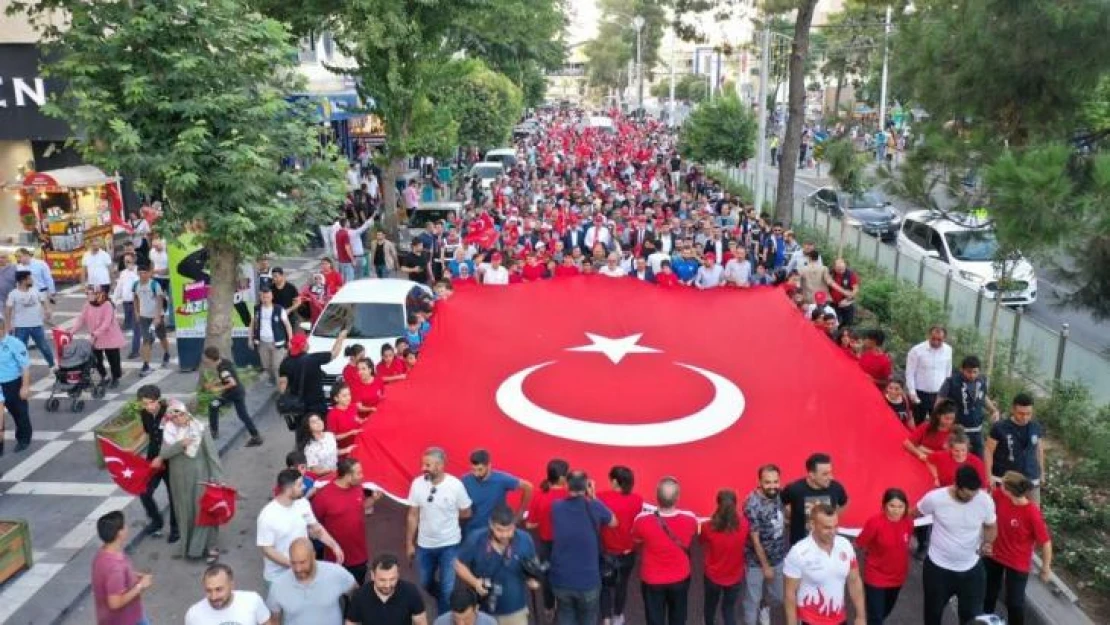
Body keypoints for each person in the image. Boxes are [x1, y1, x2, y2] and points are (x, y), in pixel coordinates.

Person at [915, 465, 997, 625]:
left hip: (971, 570)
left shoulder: (984, 500)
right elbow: (915, 513)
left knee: (972, 619)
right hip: (938, 569)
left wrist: (987, 543)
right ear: (956, 485)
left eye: (974, 494)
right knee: (933, 615)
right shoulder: (935, 498)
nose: (971, 499)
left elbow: (990, 526)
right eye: (966, 495)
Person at [149, 400, 223, 562]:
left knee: (203, 512)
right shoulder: (169, 431)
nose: (177, 420)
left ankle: (211, 547)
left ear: (186, 414)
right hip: (178, 480)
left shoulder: (200, 429)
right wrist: (179, 445)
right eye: (173, 417)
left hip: (200, 478)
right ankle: (190, 547)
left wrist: (218, 479)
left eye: (180, 415)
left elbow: (212, 455)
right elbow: (164, 454)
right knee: (184, 512)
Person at [406, 447, 474, 616]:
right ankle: (444, 599)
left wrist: (449, 517)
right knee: (425, 582)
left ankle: (443, 617)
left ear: (440, 465)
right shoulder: (417, 483)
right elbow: (413, 515)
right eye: (423, 464)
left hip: (449, 545)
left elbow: (466, 511)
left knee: (447, 587)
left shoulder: (455, 486)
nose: (423, 468)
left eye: (427, 464)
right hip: (424, 545)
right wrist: (409, 544)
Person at [258, 469, 344, 593]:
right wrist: (294, 565)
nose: (303, 487)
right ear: (289, 488)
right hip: (278, 578)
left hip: (303, 571)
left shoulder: (302, 503)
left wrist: (334, 545)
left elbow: (315, 527)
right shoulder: (267, 515)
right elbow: (267, 549)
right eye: (299, 485)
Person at [983, 472, 1053, 625]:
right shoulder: (999, 496)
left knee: (1015, 603)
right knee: (988, 594)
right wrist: (986, 542)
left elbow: (1046, 542)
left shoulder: (1032, 513)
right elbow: (985, 512)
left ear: (1009, 490)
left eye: (1003, 484)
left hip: (1017, 562)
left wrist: (1045, 569)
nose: (999, 485)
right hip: (994, 555)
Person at [454, 504, 540, 624]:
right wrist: (475, 582)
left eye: (509, 530)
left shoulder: (525, 539)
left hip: (515, 610)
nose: (505, 535)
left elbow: (533, 565)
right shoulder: (476, 538)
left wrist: (533, 579)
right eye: (499, 530)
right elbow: (458, 564)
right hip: (483, 611)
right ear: (491, 525)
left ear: (514, 525)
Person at [549, 470, 615, 625]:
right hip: (589, 581)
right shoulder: (594, 506)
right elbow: (614, 522)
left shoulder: (556, 507)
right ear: (587, 486)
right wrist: (594, 498)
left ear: (566, 485)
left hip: (561, 579)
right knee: (588, 619)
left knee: (565, 615)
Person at [782, 504, 866, 625]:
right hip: (809, 621)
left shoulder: (845, 545)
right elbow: (790, 594)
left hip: (839, 619)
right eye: (827, 528)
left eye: (835, 526)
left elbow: (854, 581)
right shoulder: (798, 552)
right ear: (812, 525)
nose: (832, 532)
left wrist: (861, 616)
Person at [633, 476, 699, 625]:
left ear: (657, 496)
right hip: (680, 578)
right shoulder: (690, 519)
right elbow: (694, 534)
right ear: (677, 497)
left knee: (654, 619)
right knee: (678, 617)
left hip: (652, 579)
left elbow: (636, 539)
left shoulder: (642, 520)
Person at [266, 537, 357, 625]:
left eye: (302, 562)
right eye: (293, 562)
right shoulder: (278, 585)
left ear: (313, 556)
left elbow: (358, 595)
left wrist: (352, 621)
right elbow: (274, 620)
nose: (298, 569)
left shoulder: (336, 573)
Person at [312, 457, 376, 583]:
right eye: (358, 473)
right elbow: (314, 523)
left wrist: (374, 499)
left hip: (359, 556)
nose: (362, 476)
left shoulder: (359, 488)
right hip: (335, 558)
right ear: (347, 476)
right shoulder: (323, 496)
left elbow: (360, 507)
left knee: (356, 590)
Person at [855, 489, 914, 625]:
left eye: (900, 506)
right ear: (884, 506)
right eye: (892, 506)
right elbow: (860, 543)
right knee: (876, 617)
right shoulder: (874, 522)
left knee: (885, 610)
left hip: (897, 577)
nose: (896, 510)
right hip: (876, 576)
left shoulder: (908, 523)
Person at [597, 466, 644, 625]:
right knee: (622, 584)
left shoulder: (601, 497)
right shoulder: (637, 500)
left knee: (604, 585)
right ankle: (618, 615)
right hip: (628, 551)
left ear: (615, 481)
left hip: (607, 551)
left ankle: (606, 617)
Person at [525, 459, 570, 620]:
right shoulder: (570, 495)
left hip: (546, 544)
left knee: (547, 577)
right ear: (562, 478)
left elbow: (530, 524)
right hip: (566, 545)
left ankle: (549, 607)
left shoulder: (539, 496)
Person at [92, 510, 153, 625]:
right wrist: (141, 585)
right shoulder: (115, 567)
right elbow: (115, 602)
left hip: (130, 615)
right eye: (124, 525)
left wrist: (136, 575)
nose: (127, 527)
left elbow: (113, 579)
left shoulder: (104, 553)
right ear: (119, 533)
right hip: (125, 620)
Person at [743, 464, 786, 625]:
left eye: (776, 481)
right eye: (768, 482)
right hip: (756, 562)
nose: (773, 486)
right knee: (751, 601)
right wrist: (766, 566)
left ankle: (765, 606)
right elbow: (755, 539)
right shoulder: (751, 504)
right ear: (759, 481)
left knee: (779, 597)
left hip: (778, 557)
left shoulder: (779, 494)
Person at [136, 385, 179, 543]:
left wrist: (162, 457)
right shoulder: (144, 414)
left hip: (171, 460)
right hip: (152, 460)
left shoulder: (170, 414)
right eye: (144, 404)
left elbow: (176, 440)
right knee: (144, 491)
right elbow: (148, 434)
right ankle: (156, 520)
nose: (148, 407)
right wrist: (132, 449)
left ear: (158, 400)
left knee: (173, 495)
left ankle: (176, 528)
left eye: (151, 403)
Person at [278, 330, 348, 428]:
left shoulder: (285, 363)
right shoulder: (313, 359)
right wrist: (341, 337)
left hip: (298, 406)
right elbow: (334, 353)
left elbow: (282, 385)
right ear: (303, 346)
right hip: (317, 405)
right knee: (320, 428)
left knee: (303, 431)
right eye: (306, 342)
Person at [699, 489, 749, 625]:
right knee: (728, 610)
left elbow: (700, 541)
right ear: (735, 504)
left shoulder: (708, 526)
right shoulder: (744, 525)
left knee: (710, 607)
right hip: (734, 577)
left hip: (713, 576)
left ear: (718, 504)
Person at [985, 392, 1046, 503]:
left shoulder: (1035, 427)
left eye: (1028, 413)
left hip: (1030, 477)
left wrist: (1042, 472)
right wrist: (988, 475)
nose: (1025, 417)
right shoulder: (1000, 427)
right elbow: (988, 451)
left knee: (1033, 511)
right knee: (1001, 511)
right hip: (1004, 479)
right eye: (1021, 413)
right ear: (1013, 409)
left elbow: (1039, 450)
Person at [461, 449, 534, 539]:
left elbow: (528, 487)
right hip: (471, 531)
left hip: (494, 532)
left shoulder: (501, 480)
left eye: (480, 470)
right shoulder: (465, 480)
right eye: (473, 470)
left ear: (489, 466)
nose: (476, 474)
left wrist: (520, 513)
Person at [781, 453, 849, 546]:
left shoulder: (836, 488)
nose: (831, 477)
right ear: (811, 475)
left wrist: (833, 516)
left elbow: (844, 502)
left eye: (830, 472)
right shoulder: (794, 489)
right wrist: (787, 519)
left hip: (826, 543)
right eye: (825, 474)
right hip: (800, 545)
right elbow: (781, 503)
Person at [937, 355, 1000, 457]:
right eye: (969, 372)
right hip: (958, 430)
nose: (972, 375)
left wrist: (993, 410)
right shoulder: (951, 382)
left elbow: (983, 397)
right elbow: (939, 402)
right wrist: (942, 423)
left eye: (975, 372)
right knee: (958, 459)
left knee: (978, 460)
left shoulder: (982, 380)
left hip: (977, 430)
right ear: (962, 370)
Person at [344, 554, 428, 625]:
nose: (387, 585)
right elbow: (351, 623)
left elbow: (421, 622)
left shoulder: (410, 591)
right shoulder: (360, 596)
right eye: (382, 580)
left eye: (392, 579)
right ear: (373, 575)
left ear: (398, 574)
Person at [202, 346, 262, 445]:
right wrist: (213, 383)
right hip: (238, 392)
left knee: (213, 405)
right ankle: (255, 435)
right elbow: (225, 378)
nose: (205, 360)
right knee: (243, 415)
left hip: (233, 393)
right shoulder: (224, 362)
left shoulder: (223, 369)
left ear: (210, 358)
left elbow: (231, 382)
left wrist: (217, 388)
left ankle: (214, 432)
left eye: (205, 358)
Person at [71, 286, 125, 387]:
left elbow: (106, 322)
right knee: (96, 360)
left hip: (110, 336)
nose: (88, 296)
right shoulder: (87, 305)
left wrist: (95, 333)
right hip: (95, 338)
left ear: (98, 294)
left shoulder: (107, 304)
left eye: (90, 294)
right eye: (87, 294)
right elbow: (81, 319)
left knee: (113, 359)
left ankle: (115, 377)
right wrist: (71, 332)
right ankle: (104, 376)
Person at [185, 564, 270, 625]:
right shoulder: (193, 614)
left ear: (231, 585)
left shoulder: (252, 601)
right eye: (208, 590)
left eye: (219, 589)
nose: (213, 597)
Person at [905, 326, 953, 425]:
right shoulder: (916, 350)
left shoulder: (948, 350)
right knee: (919, 422)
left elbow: (948, 371)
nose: (936, 342)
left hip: (939, 394)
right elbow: (910, 372)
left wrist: (947, 391)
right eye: (933, 338)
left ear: (944, 338)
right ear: (928, 336)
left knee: (938, 423)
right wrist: (912, 392)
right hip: (920, 393)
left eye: (939, 339)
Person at [6, 269, 54, 368]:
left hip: (37, 325)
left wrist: (47, 310)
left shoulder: (35, 290)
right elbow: (8, 310)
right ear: (23, 280)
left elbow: (43, 300)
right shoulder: (13, 294)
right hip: (21, 327)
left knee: (44, 347)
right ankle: (21, 371)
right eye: (29, 278)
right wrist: (8, 325)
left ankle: (52, 366)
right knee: (20, 350)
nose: (32, 280)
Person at [0, 315, 32, 455]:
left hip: (12, 384)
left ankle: (24, 439)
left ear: (3, 328)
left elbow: (25, 367)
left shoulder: (14, 343)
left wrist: (24, 387)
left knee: (20, 413)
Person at [250, 287, 293, 386]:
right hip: (262, 342)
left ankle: (281, 387)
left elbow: (287, 325)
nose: (265, 299)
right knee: (266, 365)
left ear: (272, 297)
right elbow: (252, 324)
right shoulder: (257, 309)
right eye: (263, 297)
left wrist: (290, 340)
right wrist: (250, 339)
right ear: (260, 297)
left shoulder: (279, 309)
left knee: (277, 365)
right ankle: (273, 379)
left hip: (277, 342)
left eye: (268, 297)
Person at [133, 262, 171, 375]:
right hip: (144, 316)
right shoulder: (135, 285)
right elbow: (135, 298)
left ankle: (167, 352)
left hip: (156, 316)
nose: (143, 275)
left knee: (162, 336)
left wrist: (158, 316)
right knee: (146, 340)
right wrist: (136, 312)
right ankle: (146, 365)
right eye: (140, 273)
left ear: (149, 273)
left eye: (145, 273)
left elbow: (159, 301)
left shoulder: (154, 284)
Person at [111, 252, 141, 358]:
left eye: (128, 261)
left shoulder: (138, 272)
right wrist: (113, 301)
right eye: (125, 261)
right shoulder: (123, 273)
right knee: (130, 325)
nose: (126, 263)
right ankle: (150, 335)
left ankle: (135, 350)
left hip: (136, 304)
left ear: (134, 260)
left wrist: (133, 271)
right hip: (126, 303)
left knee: (136, 327)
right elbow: (119, 288)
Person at [433, 586, 498, 625]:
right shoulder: (440, 623)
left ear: (476, 608)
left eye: (466, 619)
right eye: (456, 619)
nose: (461, 624)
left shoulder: (490, 623)